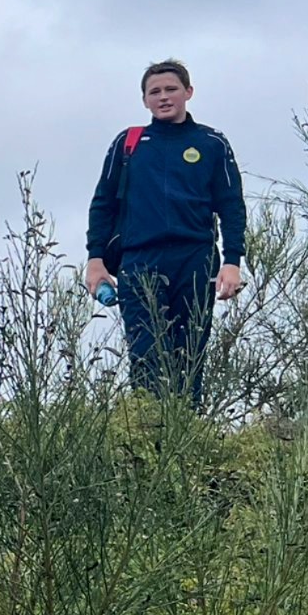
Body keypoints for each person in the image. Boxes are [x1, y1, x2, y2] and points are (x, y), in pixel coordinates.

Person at [85, 58, 247, 406]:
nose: (163, 97)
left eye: (171, 89)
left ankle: (187, 430)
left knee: (189, 358)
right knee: (146, 356)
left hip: (195, 259)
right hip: (139, 259)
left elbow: (231, 206)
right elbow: (102, 204)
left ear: (188, 92)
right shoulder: (128, 143)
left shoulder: (211, 143)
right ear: (145, 100)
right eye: (154, 91)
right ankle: (148, 430)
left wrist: (232, 261)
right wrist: (95, 261)